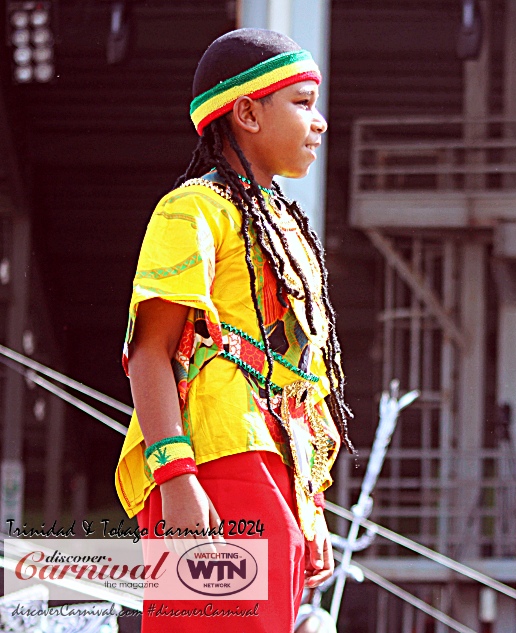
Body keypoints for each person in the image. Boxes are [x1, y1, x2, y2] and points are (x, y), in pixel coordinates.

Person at [113, 28, 352, 632]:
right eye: (301, 104)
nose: (319, 122)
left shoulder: (287, 228)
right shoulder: (191, 209)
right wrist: (176, 480)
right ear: (246, 112)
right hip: (211, 464)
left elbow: (306, 375)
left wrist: (312, 505)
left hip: (277, 468)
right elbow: (150, 355)